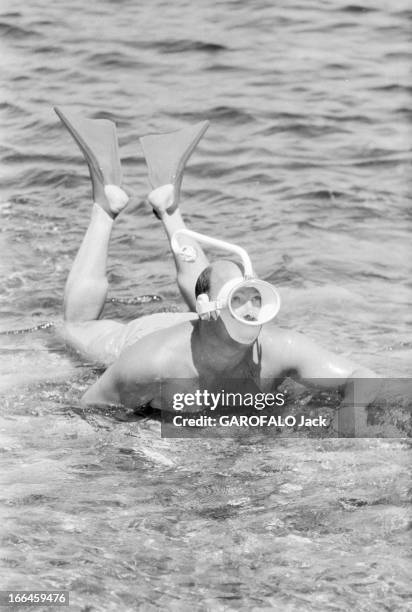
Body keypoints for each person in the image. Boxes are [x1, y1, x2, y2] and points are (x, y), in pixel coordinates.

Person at [55, 108, 378, 435]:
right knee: (74, 327)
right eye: (238, 300)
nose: (251, 310)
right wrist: (140, 432)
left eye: (253, 298)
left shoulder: (278, 349)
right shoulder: (151, 363)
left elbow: (363, 377)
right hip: (152, 336)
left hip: (205, 325)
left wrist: (349, 417)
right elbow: (89, 408)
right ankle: (105, 208)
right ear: (208, 310)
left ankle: (169, 210)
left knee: (217, 285)